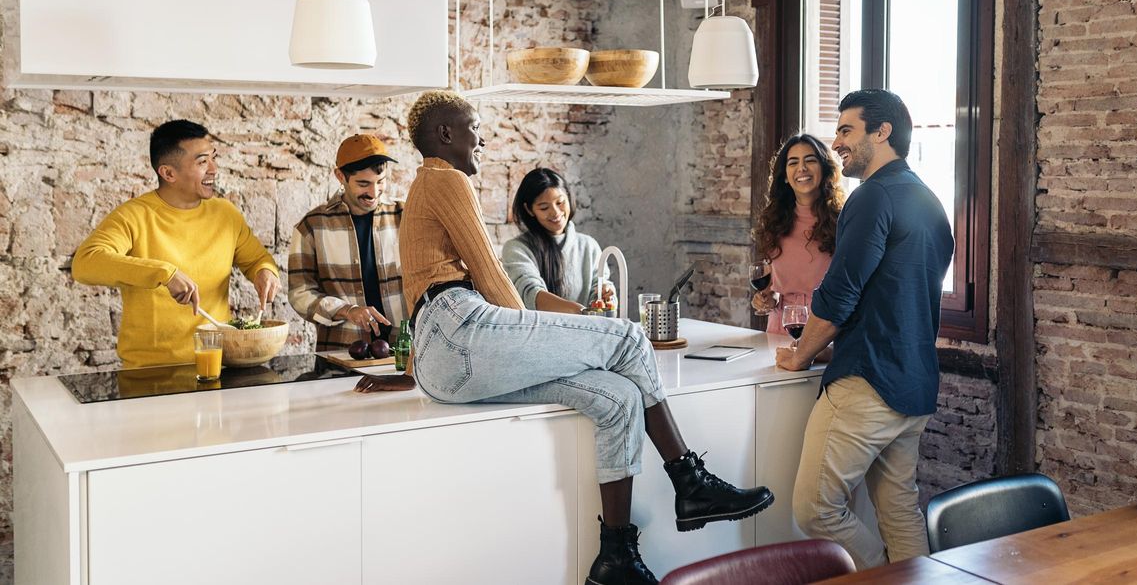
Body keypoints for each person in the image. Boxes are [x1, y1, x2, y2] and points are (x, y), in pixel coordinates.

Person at [356, 90, 774, 585]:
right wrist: (528, 327)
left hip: (445, 354)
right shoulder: (445, 177)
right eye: (473, 127)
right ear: (445, 134)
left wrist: (413, 369)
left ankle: (615, 556)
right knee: (628, 338)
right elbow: (491, 276)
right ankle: (690, 481)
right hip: (459, 330)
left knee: (617, 397)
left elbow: (420, 290)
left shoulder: (424, 186)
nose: (482, 137)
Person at [777, 89, 953, 569]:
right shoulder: (928, 200)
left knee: (814, 510)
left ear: (883, 132)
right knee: (899, 510)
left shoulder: (872, 197)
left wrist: (800, 355)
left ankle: (878, 577)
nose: (836, 143)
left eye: (847, 130)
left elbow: (839, 294)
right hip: (915, 384)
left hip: (868, 381)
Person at [72, 119, 280, 368]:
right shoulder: (134, 215)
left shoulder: (225, 214)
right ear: (168, 173)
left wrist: (265, 272)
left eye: (213, 158)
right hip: (150, 373)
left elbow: (257, 259)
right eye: (202, 162)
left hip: (215, 365)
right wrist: (164, 274)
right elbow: (85, 263)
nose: (213, 169)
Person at [288, 134, 406, 351]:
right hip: (341, 353)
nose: (373, 192)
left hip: (404, 352)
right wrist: (347, 310)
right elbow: (300, 293)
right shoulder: (311, 226)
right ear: (340, 176)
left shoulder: (406, 216)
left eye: (381, 182)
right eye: (363, 184)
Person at [751, 133, 845, 339]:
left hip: (824, 328)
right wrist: (767, 298)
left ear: (825, 168)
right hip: (780, 328)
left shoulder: (844, 219)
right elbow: (775, 288)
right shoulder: (774, 221)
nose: (802, 168)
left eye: (810, 160)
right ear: (785, 175)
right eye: (793, 162)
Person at [502, 167, 614, 313]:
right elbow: (530, 294)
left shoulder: (589, 246)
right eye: (544, 208)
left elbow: (599, 293)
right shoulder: (516, 249)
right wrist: (581, 312)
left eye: (560, 202)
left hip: (587, 333)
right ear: (529, 210)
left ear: (568, 197)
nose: (555, 212)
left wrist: (605, 295)